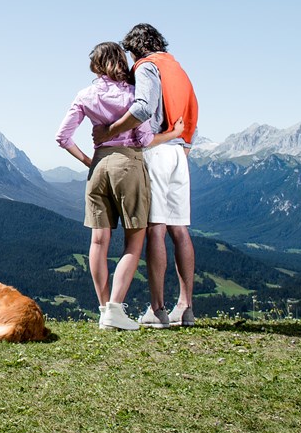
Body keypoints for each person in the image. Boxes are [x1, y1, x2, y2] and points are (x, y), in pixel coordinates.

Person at [94, 23, 199, 328]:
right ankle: (186, 307)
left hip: (156, 150)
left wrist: (110, 131)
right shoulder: (177, 69)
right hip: (180, 152)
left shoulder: (146, 66)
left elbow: (143, 108)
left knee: (155, 228)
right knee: (180, 229)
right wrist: (185, 144)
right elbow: (193, 110)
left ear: (136, 47)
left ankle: (158, 309)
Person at [55, 41, 156, 331]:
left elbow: (62, 137)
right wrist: (173, 132)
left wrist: (90, 161)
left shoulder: (85, 94)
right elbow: (146, 138)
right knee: (134, 240)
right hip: (128, 164)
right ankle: (115, 309)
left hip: (99, 166)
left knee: (98, 241)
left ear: (97, 65)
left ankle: (102, 309)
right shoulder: (133, 94)